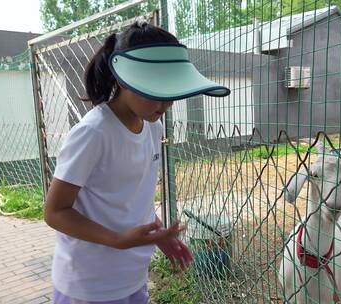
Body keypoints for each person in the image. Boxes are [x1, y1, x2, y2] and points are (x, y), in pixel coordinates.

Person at [44, 21, 230, 304]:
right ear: (122, 79)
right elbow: (55, 211)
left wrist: (158, 233)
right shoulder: (93, 133)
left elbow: (132, 200)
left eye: (171, 92)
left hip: (131, 277)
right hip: (88, 285)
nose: (165, 104)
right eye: (154, 91)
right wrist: (118, 240)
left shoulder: (152, 127)